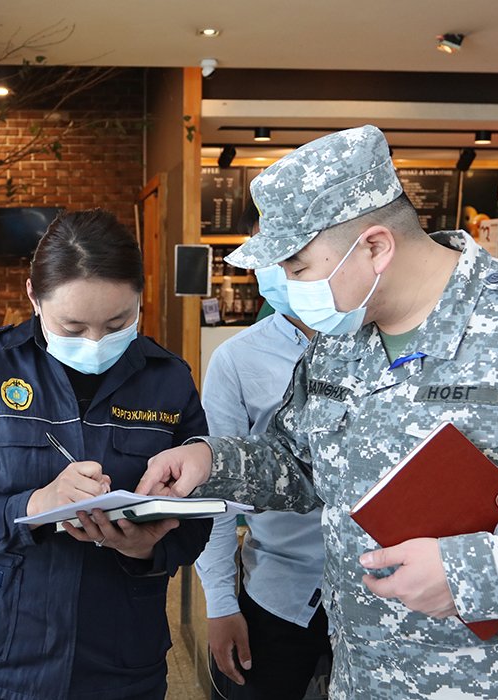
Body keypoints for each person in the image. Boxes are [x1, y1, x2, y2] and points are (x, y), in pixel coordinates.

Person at [139, 125, 498, 699]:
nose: (284, 284)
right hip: (363, 674)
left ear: (376, 246)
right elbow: (300, 462)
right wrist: (212, 461)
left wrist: (479, 569)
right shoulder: (343, 337)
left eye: (299, 266)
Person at [0, 209, 210, 700]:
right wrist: (32, 507)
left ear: (141, 296)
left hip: (120, 656)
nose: (96, 343)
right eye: (72, 327)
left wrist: (146, 549)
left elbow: (197, 517)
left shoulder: (168, 379)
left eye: (118, 322)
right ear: (33, 295)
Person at [195, 205, 329, 699]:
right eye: (268, 257)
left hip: (388, 592)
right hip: (280, 589)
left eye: (293, 257)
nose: (280, 271)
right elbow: (217, 493)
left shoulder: (389, 344)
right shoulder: (239, 358)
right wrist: (219, 602)